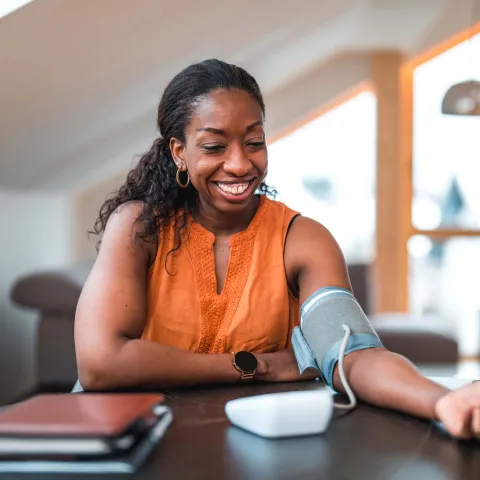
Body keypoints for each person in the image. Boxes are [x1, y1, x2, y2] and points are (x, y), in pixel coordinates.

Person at [75, 59, 480, 440]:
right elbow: (100, 365)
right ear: (180, 152)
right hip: (132, 441)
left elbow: (354, 355)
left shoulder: (302, 239)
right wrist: (259, 365)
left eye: (253, 142)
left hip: (251, 444)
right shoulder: (139, 227)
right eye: (214, 147)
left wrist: (442, 401)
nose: (239, 164)